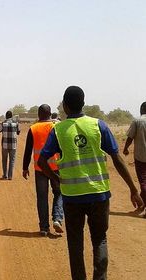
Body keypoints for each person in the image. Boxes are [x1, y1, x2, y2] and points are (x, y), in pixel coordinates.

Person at [38, 86, 143, 280]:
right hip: (99, 195)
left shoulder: (58, 130)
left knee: (75, 244)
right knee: (100, 239)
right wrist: (133, 189)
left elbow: (41, 161)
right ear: (83, 104)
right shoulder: (99, 125)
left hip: (72, 197)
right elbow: (117, 158)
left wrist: (56, 179)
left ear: (65, 106)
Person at [22, 104, 63, 236]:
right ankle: (57, 219)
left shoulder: (33, 128)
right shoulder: (56, 127)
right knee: (59, 193)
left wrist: (24, 168)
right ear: (50, 114)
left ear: (38, 115)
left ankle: (44, 228)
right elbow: (62, 148)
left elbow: (28, 150)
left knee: (42, 197)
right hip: (56, 167)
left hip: (40, 169)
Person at [123, 101, 146, 216]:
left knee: (143, 182)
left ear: (142, 109)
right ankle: (142, 205)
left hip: (141, 156)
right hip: (141, 156)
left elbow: (130, 137)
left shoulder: (137, 121)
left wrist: (125, 148)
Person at [0, 110, 21, 180]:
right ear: (11, 116)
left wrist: (0, 126)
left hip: (5, 145)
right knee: (12, 160)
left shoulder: (3, 123)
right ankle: (10, 176)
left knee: (4, 160)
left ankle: (5, 175)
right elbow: (19, 132)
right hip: (13, 145)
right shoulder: (16, 123)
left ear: (6, 116)